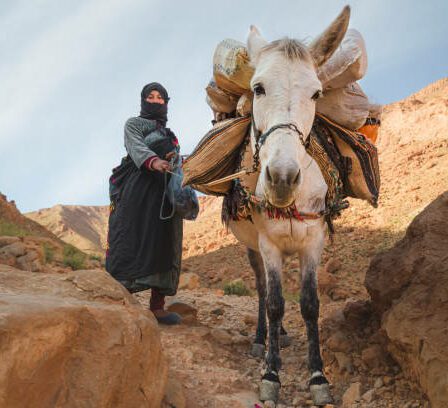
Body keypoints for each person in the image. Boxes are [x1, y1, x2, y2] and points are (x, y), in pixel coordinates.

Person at [106, 82, 183, 325]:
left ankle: (157, 307)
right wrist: (153, 161)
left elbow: (177, 164)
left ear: (166, 102)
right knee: (130, 239)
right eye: (150, 96)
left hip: (162, 193)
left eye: (160, 97)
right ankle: (122, 300)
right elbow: (136, 146)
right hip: (137, 190)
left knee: (164, 242)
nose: (155, 100)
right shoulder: (134, 124)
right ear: (143, 100)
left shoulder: (171, 136)